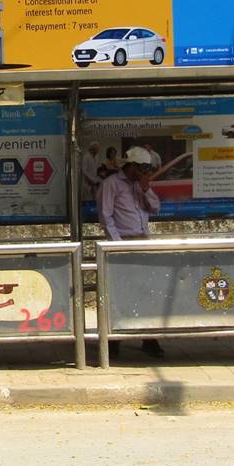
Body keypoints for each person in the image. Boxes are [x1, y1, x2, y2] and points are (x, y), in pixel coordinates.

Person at [97, 146, 165, 358]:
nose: (145, 172)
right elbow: (106, 216)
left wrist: (146, 189)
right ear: (132, 165)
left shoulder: (141, 185)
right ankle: (115, 339)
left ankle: (149, 338)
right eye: (142, 168)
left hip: (143, 241)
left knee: (147, 291)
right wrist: (117, 245)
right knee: (120, 293)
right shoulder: (111, 184)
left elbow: (155, 208)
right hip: (123, 242)